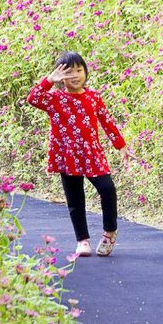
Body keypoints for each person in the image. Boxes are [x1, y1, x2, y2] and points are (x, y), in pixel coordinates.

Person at [27, 51, 131, 257]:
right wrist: (48, 80)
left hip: (92, 152)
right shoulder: (54, 99)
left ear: (85, 72)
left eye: (79, 70)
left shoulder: (93, 97)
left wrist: (121, 145)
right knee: (75, 199)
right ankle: (82, 240)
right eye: (69, 72)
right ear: (60, 76)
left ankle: (110, 231)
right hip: (67, 154)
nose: (75, 75)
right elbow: (33, 98)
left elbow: (106, 121)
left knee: (107, 189)